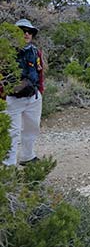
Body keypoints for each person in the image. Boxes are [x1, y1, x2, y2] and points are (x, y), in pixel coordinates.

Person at [2, 19, 45, 166]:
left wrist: (40, 90)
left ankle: (27, 156)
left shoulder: (35, 52)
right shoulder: (6, 52)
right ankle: (9, 164)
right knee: (11, 131)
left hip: (33, 96)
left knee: (32, 127)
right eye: (22, 31)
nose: (26, 34)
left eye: (29, 31)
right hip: (12, 98)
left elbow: (39, 72)